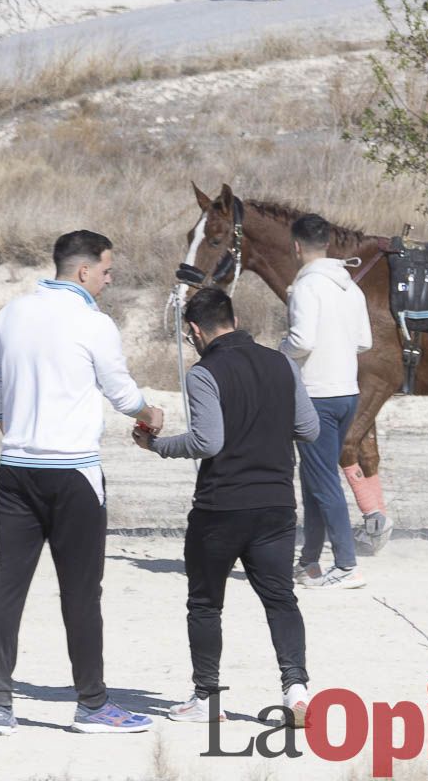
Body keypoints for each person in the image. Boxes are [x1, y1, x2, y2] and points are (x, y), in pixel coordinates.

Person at [0, 230, 163, 736]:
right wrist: (152, 413)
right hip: (74, 474)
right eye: (106, 270)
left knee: (6, 587)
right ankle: (93, 705)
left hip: (16, 469)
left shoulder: (12, 312)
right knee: (81, 593)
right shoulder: (93, 322)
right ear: (83, 271)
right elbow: (122, 392)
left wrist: (15, 431)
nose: (108, 279)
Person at [132, 288, 320, 725]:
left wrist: (157, 445)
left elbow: (207, 441)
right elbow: (308, 428)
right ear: (232, 319)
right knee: (280, 600)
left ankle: (207, 699)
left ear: (196, 330)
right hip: (276, 503)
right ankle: (296, 691)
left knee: (205, 603)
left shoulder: (204, 372)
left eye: (189, 336)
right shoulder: (282, 363)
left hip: (221, 506)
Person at [280, 214, 374, 590]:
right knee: (315, 479)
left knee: (323, 483)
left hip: (317, 394)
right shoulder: (350, 287)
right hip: (347, 392)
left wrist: (279, 352)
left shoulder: (307, 287)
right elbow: (364, 341)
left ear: (297, 246)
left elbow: (301, 340)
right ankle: (309, 562)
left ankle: (347, 565)